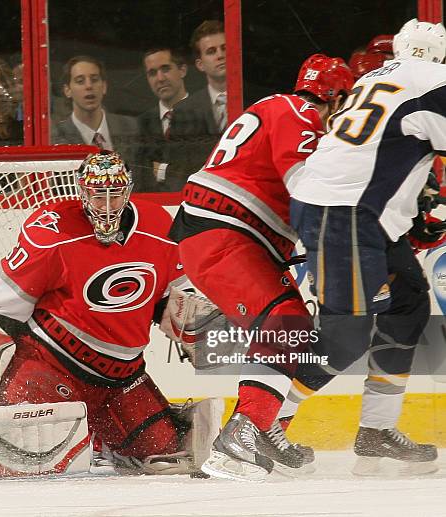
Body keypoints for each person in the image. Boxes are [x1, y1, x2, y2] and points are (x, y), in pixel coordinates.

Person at [0, 150, 220, 476]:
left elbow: (166, 299)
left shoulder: (160, 226)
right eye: (97, 195)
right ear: (82, 191)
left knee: (170, 457)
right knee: (30, 464)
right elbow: (0, 308)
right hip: (49, 369)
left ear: (129, 190)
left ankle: (105, 440)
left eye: (115, 194)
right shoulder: (54, 230)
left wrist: (197, 327)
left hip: (122, 379)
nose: (107, 206)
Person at [169, 53, 354, 481]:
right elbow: (304, 188)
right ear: (337, 95)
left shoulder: (277, 108)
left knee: (297, 330)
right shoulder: (302, 111)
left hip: (231, 235)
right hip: (226, 232)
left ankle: (266, 425)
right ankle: (244, 431)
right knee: (287, 324)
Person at [285, 18, 446, 474]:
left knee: (408, 304)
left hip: (360, 215)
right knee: (347, 333)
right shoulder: (432, 80)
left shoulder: (377, 77)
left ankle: (376, 430)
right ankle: (261, 425)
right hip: (345, 214)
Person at [165, 20, 227, 191]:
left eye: (225, 48)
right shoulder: (183, 111)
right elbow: (177, 172)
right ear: (200, 64)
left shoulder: (257, 103)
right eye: (211, 51)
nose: (220, 55)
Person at [51, 56, 138, 168]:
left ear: (104, 87)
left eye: (94, 79)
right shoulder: (57, 137)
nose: (89, 86)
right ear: (67, 90)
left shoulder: (130, 126)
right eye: (80, 81)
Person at [137, 48, 188, 191]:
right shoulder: (141, 123)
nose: (160, 78)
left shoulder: (204, 113)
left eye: (165, 69)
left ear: (182, 70)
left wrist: (161, 170)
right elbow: (141, 173)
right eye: (152, 73)